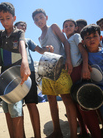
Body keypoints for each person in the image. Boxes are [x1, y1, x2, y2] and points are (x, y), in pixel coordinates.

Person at [32, 8, 78, 138]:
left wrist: (68, 59)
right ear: (34, 23)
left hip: (61, 66)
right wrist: (44, 50)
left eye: (41, 17)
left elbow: (65, 42)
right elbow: (43, 51)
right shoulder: (39, 37)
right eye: (36, 19)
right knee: (51, 100)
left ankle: (74, 134)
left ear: (46, 17)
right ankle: (57, 131)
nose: (39, 20)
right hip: (47, 69)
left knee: (66, 99)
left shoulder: (53, 27)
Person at [0, 2, 31, 138]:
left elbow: (21, 47)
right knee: (6, 109)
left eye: (8, 18)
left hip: (16, 76)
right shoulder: (0, 35)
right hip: (4, 75)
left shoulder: (19, 32)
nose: (5, 22)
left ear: (14, 18)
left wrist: (24, 61)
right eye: (1, 19)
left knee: (15, 108)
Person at [63, 19, 102, 138]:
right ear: (63, 30)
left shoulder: (75, 37)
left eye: (71, 25)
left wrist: (85, 67)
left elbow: (84, 52)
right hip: (71, 74)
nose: (68, 27)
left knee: (85, 103)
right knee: (76, 103)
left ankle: (96, 134)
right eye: (66, 26)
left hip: (80, 70)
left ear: (75, 28)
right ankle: (84, 131)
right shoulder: (64, 41)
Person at [15, 21, 54, 138]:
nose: (23, 27)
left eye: (25, 26)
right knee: (17, 107)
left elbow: (40, 50)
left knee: (31, 104)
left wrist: (47, 49)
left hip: (29, 73)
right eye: (21, 25)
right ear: (15, 27)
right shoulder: (10, 39)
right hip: (15, 74)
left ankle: (37, 135)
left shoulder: (28, 41)